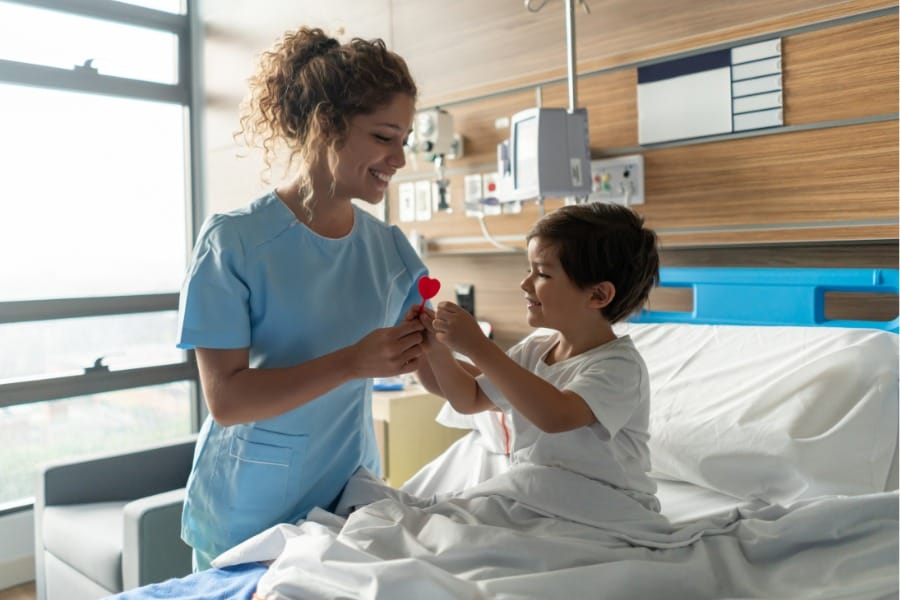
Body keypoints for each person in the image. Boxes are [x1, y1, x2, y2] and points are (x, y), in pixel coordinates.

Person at [176, 26, 428, 570]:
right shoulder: (235, 242)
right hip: (248, 509)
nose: (399, 158)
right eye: (384, 137)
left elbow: (433, 369)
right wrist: (355, 361)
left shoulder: (390, 252)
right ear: (325, 125)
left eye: (405, 140)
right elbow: (227, 400)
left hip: (346, 504)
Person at [410, 202, 662, 510]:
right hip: (539, 499)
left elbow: (555, 416)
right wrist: (431, 351)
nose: (525, 283)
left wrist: (478, 346)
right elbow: (469, 397)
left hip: (605, 509)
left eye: (541, 273)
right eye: (528, 270)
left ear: (598, 295)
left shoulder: (620, 367)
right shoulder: (534, 350)